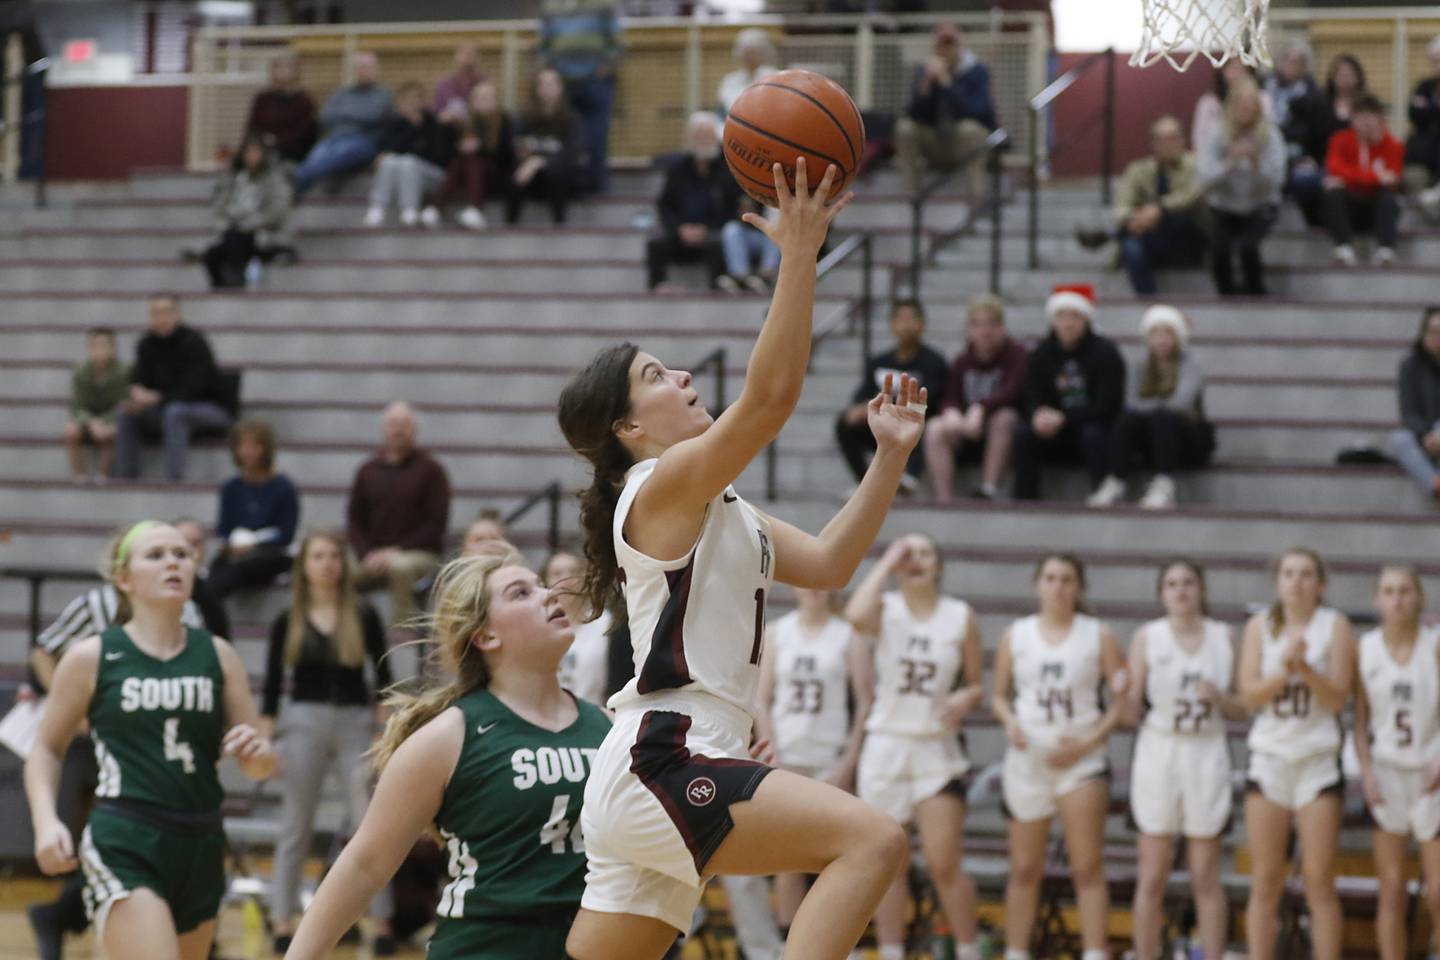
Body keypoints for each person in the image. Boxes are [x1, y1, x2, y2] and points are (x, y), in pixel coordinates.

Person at [555, 159, 912, 960]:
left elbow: (826, 563)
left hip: (672, 756)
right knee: (872, 842)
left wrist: (886, 459)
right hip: (664, 755)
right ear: (628, 429)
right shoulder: (657, 485)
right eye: (655, 376)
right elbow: (772, 399)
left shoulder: (722, 507)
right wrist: (799, 253)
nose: (681, 375)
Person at [279, 552, 613, 959]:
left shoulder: (612, 726)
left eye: (541, 584)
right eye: (521, 593)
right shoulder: (447, 737)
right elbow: (365, 865)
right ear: (486, 636)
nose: (548, 595)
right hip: (485, 947)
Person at [23, 521, 276, 960]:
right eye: (155, 555)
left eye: (181, 554)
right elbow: (45, 748)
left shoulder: (218, 655)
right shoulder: (93, 656)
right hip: (126, 835)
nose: (172, 562)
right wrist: (46, 822)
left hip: (202, 839)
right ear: (124, 578)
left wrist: (256, 753)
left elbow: (260, 764)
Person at [846, 534, 984, 960]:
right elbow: (853, 614)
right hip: (886, 746)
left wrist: (965, 697)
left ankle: (969, 950)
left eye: (926, 553)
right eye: (911, 553)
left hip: (935, 748)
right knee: (889, 865)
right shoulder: (885, 609)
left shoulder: (961, 616)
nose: (917, 560)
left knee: (944, 864)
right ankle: (891, 952)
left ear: (939, 566)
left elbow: (977, 684)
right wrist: (888, 561)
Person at [262, 531, 395, 954]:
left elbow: (384, 679)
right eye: (318, 556)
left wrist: (383, 732)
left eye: (334, 556)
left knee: (369, 825)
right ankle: (282, 919)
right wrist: (267, 741)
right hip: (303, 720)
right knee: (295, 826)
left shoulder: (363, 612)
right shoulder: (289, 617)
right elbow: (270, 689)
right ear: (304, 565)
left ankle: (379, 922)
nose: (327, 564)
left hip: (356, 720)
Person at [991, 554, 1126, 960]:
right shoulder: (1016, 635)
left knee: (1086, 867)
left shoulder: (1098, 634)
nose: (1058, 586)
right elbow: (999, 696)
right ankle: (1016, 952)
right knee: (1025, 869)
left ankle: (1095, 952)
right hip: (1028, 761)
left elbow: (1120, 704)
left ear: (1079, 587)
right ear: (1037, 585)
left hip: (1081, 762)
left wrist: (1087, 743)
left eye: (1067, 579)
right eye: (1050, 578)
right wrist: (1010, 721)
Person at [1238, 547, 1354, 960]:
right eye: (1289, 573)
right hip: (1270, 758)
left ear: (1320, 584)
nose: (1297, 581)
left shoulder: (1335, 627)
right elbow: (1249, 695)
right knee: (1266, 879)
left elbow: (1339, 698)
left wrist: (1306, 669)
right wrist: (1283, 670)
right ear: (1277, 582)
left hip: (1317, 760)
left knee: (1319, 880)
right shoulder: (1259, 627)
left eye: (1307, 574)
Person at [1125, 560, 1239, 960]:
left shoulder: (1224, 636)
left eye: (1188, 582)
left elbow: (1243, 707)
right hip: (1160, 749)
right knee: (1152, 874)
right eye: (1171, 583)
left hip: (1206, 750)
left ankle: (1212, 954)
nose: (1180, 590)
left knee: (1206, 876)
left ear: (1202, 589)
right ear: (1161, 593)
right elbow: (1129, 709)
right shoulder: (1147, 638)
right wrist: (1120, 689)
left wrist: (1221, 699)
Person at [754, 584, 868, 931]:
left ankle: (830, 944)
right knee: (788, 859)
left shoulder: (848, 636)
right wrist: (771, 752)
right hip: (787, 756)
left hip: (830, 758)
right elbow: (761, 699)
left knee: (832, 860)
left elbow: (865, 702)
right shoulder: (776, 633)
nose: (814, 590)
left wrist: (850, 760)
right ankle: (791, 944)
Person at [1353, 565, 1440, 960]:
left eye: (1405, 591)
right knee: (1390, 889)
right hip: (1387, 774)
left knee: (1437, 891)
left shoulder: (1435, 644)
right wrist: (1367, 772)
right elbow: (1358, 723)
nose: (1397, 598)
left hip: (1430, 774)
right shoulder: (1365, 648)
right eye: (1388, 591)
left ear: (1419, 597)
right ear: (1376, 599)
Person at [1087, 304, 1214, 510]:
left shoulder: (1191, 365)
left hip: (1187, 436)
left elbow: (1180, 403)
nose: (1161, 339)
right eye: (1155, 333)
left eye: (1168, 333)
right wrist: (1156, 407)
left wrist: (1152, 408)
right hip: (1150, 435)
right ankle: (1116, 479)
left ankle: (1164, 483)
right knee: (1126, 419)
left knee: (1162, 417)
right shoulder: (1139, 365)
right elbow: (1130, 402)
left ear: (1178, 337)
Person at [1011, 284, 1126, 502]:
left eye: (1075, 316)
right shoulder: (1041, 354)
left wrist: (1065, 418)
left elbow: (1108, 404)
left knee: (1094, 433)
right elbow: (1030, 394)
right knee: (1024, 434)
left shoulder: (1105, 353)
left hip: (1090, 425)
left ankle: (1102, 491)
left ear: (1086, 320)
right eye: (1062, 316)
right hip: (1053, 430)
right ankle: (1025, 499)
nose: (1068, 323)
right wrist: (1038, 414)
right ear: (1053, 320)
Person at [346, 402, 451, 625]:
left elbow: (435, 526)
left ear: (415, 430)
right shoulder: (368, 471)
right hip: (373, 556)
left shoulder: (432, 470)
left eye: (404, 424)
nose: (398, 430)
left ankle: (404, 634)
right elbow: (355, 522)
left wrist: (396, 551)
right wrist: (366, 554)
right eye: (393, 424)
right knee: (337, 570)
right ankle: (349, 633)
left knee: (401, 567)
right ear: (384, 429)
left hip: (420, 554)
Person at [112, 293, 232, 482]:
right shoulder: (146, 345)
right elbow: (138, 380)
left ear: (178, 315)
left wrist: (157, 398)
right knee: (125, 413)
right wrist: (137, 397)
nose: (161, 318)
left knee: (175, 412)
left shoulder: (195, 343)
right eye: (156, 313)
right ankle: (125, 477)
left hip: (209, 408)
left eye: (166, 312)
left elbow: (195, 388)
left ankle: (174, 479)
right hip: (164, 408)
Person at [835, 299, 949, 494]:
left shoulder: (934, 361)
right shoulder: (878, 361)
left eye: (912, 319)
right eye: (901, 319)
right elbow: (864, 393)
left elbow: (934, 399)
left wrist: (894, 408)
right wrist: (859, 408)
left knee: (926, 424)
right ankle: (864, 484)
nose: (906, 325)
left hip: (914, 423)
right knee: (845, 422)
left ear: (922, 324)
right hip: (883, 422)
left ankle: (910, 477)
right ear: (891, 323)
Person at [923, 294, 1027, 501]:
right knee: (935, 427)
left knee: (1004, 417)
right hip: (968, 427)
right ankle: (944, 498)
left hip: (1000, 427)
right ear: (970, 329)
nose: (984, 331)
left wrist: (981, 408)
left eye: (990, 324)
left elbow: (1012, 392)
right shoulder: (963, 361)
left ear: (1001, 327)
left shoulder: (1017, 355)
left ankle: (988, 488)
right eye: (978, 325)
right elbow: (950, 395)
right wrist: (951, 412)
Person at [1196, 79, 1286, 296]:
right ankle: (1227, 295)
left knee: (1248, 248)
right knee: (1218, 249)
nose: (1245, 110)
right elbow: (1204, 178)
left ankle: (1256, 294)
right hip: (1223, 205)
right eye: (1240, 104)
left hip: (1260, 204)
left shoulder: (1271, 136)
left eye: (1250, 104)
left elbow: (1277, 181)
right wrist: (1228, 164)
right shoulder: (1217, 134)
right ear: (1231, 106)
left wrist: (1257, 165)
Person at [1106, 115, 1207, 296]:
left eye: (1173, 137)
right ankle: (1149, 302)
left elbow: (1191, 197)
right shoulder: (1138, 170)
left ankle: (1110, 236)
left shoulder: (1198, 165)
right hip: (1150, 237)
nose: (1168, 144)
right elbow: (1121, 207)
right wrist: (1135, 219)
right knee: (1131, 245)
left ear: (1182, 140)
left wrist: (1158, 209)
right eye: (1162, 139)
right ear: (1153, 143)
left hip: (1188, 239)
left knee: (1176, 217)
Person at [895, 22, 997, 197]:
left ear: (959, 46)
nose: (946, 49)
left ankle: (977, 203)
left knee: (969, 129)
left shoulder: (977, 71)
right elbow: (913, 114)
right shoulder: (925, 71)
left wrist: (947, 83)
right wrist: (926, 85)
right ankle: (910, 198)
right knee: (905, 127)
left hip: (965, 143)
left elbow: (978, 113)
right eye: (942, 44)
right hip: (936, 142)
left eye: (950, 43)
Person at [646, 112, 739, 292]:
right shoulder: (678, 169)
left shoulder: (727, 171)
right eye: (700, 135)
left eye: (708, 135)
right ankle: (658, 286)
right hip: (681, 232)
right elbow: (665, 205)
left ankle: (717, 288)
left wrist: (706, 229)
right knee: (655, 243)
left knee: (718, 242)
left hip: (712, 232)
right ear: (691, 138)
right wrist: (680, 228)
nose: (704, 140)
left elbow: (732, 209)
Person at [207, 419, 299, 599]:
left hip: (271, 554)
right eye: (242, 445)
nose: (247, 451)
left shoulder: (284, 487)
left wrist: (254, 544)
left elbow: (286, 534)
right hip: (237, 553)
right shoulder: (231, 487)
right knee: (217, 567)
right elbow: (223, 529)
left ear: (266, 448)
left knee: (238, 570)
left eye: (254, 445)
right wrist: (231, 545)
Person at [538, 0, 621, 196]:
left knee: (597, 137)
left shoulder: (603, 4)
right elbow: (543, 44)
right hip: (562, 82)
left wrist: (605, 66)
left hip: (596, 81)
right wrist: (550, 70)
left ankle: (597, 187)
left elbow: (617, 42)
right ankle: (569, 187)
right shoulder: (551, 6)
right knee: (563, 139)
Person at [293, 51, 393, 197]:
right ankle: (297, 180)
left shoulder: (383, 94)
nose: (363, 71)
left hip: (362, 140)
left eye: (367, 67)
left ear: (375, 69)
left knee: (336, 155)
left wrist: (343, 114)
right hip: (334, 138)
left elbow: (373, 115)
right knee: (316, 155)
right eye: (359, 67)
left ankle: (297, 183)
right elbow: (324, 116)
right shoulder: (342, 92)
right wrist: (355, 114)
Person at [201, 134, 294, 288]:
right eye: (248, 153)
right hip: (233, 230)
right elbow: (220, 205)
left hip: (263, 233)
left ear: (263, 155)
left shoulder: (274, 178)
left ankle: (238, 279)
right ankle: (221, 288)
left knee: (235, 237)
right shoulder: (233, 178)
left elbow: (277, 210)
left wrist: (250, 223)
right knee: (213, 254)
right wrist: (230, 221)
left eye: (256, 152)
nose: (252, 157)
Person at [1324, 93, 1403, 267]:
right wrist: (1375, 177)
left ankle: (1385, 251)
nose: (1366, 121)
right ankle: (1343, 249)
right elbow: (1335, 168)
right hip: (1350, 207)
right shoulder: (1339, 140)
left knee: (1388, 198)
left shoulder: (1393, 145)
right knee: (1333, 195)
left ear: (1380, 118)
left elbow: (1393, 178)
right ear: (1352, 119)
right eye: (1360, 115)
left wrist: (1349, 178)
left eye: (1371, 115)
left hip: (1376, 209)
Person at [423, 79, 514, 230]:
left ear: (495, 101)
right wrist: (444, 127)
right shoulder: (465, 122)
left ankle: (461, 207)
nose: (483, 102)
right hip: (465, 175)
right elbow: (442, 154)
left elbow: (506, 155)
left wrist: (480, 147)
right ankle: (441, 209)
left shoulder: (504, 121)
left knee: (473, 158)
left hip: (495, 176)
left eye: (487, 98)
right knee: (463, 159)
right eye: (479, 98)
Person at [363, 81, 455, 228]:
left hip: (433, 175)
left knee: (408, 161)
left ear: (423, 101)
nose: (412, 104)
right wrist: (412, 128)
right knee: (389, 161)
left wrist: (420, 129)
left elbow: (440, 156)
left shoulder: (435, 123)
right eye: (407, 100)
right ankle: (377, 208)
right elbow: (388, 150)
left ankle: (410, 209)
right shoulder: (395, 124)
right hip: (401, 173)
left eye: (416, 99)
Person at [507, 68, 582, 225]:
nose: (547, 88)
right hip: (531, 177)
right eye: (542, 84)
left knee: (555, 173)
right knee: (516, 175)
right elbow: (517, 145)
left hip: (560, 179)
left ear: (560, 88)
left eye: (551, 84)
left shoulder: (572, 118)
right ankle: (511, 226)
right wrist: (528, 161)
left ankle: (559, 225)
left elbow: (571, 153)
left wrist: (540, 161)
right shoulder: (524, 116)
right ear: (537, 89)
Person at [544, 549, 614, 707]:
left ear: (585, 578)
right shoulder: (538, 624)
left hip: (597, 714)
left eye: (573, 572)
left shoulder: (606, 622)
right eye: (557, 573)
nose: (566, 579)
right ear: (546, 581)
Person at [1389, 306, 1440, 500]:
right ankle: (1435, 483)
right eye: (1433, 331)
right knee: (1399, 440)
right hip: (1422, 435)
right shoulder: (1410, 366)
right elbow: (1408, 411)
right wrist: (1425, 435)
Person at [65, 327, 128, 482]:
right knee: (70, 430)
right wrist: (92, 422)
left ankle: (103, 474)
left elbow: (123, 403)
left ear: (113, 348)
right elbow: (77, 406)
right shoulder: (80, 372)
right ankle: (79, 475)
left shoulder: (124, 372)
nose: (99, 351)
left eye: (104, 346)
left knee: (111, 432)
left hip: (110, 420)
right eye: (94, 346)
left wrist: (105, 422)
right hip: (87, 421)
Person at [245, 55, 317, 165]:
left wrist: (277, 141)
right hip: (261, 150)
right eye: (277, 68)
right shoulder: (262, 99)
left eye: (286, 68)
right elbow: (252, 128)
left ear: (295, 72)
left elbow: (305, 133)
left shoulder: (304, 101)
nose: (281, 72)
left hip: (293, 154)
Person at [1190, 61, 1266, 157]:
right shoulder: (1217, 128)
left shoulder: (1267, 131)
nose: (1237, 75)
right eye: (1233, 69)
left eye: (1243, 69)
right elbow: (1200, 147)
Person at [1405, 36, 1440, 221]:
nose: (1437, 65)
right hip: (1425, 150)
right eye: (1434, 61)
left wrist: (1428, 108)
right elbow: (1413, 114)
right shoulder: (1424, 86)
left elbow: (1424, 112)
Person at [717, 28, 778, 115]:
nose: (749, 57)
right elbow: (721, 114)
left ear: (763, 53)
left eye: (753, 52)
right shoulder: (729, 81)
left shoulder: (775, 78)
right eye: (746, 52)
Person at [431, 43, 486, 123]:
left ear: (478, 58)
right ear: (456, 57)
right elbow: (437, 113)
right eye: (465, 54)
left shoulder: (484, 83)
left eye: (472, 54)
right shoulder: (444, 85)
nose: (468, 58)